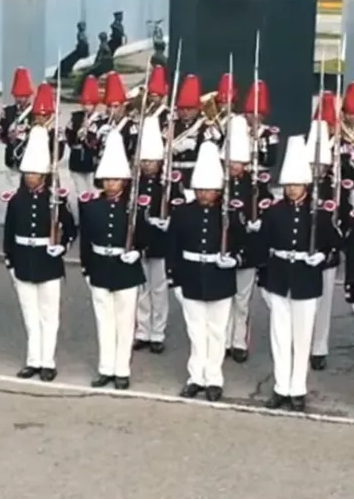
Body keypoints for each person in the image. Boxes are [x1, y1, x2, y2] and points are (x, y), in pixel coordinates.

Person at [256, 134, 342, 412]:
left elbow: (334, 244)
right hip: (280, 277)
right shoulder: (274, 212)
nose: (292, 189)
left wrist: (323, 256)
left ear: (305, 184)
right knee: (280, 335)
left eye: (296, 184)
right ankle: (281, 386)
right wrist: (264, 280)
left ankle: (298, 388)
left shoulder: (318, 214)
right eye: (288, 184)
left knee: (303, 336)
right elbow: (264, 247)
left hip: (306, 278)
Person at [167, 142, 244, 403]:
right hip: (191, 276)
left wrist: (234, 259)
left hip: (219, 276)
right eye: (200, 189)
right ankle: (195, 377)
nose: (204, 194)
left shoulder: (230, 214)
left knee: (217, 331)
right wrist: (174, 278)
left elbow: (243, 242)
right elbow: (173, 247)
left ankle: (214, 378)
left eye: (210, 190)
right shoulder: (183, 213)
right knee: (195, 331)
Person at [4, 125, 76, 381]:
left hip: (48, 261)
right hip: (24, 260)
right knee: (30, 315)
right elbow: (9, 232)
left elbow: (70, 228)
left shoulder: (55, 200)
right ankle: (33, 359)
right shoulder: (16, 200)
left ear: (44, 176)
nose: (30, 178)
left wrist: (63, 245)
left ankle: (48, 360)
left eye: (35, 173)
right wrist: (10, 260)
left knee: (49, 315)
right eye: (27, 173)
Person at [79, 130, 147, 390]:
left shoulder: (132, 208)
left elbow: (145, 236)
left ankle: (122, 369)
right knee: (103, 321)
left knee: (125, 321)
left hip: (125, 269)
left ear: (124, 181)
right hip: (100, 268)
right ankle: (105, 368)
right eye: (107, 179)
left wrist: (137, 250)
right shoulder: (92, 206)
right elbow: (86, 241)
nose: (111, 184)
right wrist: (86, 268)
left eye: (116, 179)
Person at [223, 114, 274, 363]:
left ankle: (239, 340)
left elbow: (267, 209)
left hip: (247, 246)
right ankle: (223, 340)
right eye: (231, 160)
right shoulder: (218, 181)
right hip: (224, 245)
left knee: (242, 299)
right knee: (222, 297)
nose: (234, 165)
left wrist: (259, 221)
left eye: (239, 162)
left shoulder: (256, 185)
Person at [133, 108, 183, 354]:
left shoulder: (169, 183)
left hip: (161, 241)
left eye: (151, 161)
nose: (147, 165)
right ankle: (142, 329)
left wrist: (170, 219)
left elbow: (180, 206)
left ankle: (158, 331)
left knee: (159, 288)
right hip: (140, 239)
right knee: (141, 289)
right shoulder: (135, 182)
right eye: (144, 161)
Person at [308, 100, 345, 371]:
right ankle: (303, 340)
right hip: (306, 231)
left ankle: (318, 346)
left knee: (325, 295)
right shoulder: (307, 150)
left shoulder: (344, 153)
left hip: (333, 226)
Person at [65, 75, 101, 214]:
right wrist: (76, 135)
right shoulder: (75, 117)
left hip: (91, 161)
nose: (87, 107)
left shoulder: (100, 120)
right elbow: (68, 136)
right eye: (85, 104)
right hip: (76, 160)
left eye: (90, 104)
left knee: (93, 193)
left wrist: (88, 137)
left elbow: (98, 141)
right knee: (82, 194)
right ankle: (83, 217)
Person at [0, 67, 34, 169]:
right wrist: (8, 137)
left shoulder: (35, 112)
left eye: (23, 96)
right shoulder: (8, 111)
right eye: (18, 96)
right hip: (11, 157)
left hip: (30, 157)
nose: (20, 99)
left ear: (29, 96)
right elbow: (1, 132)